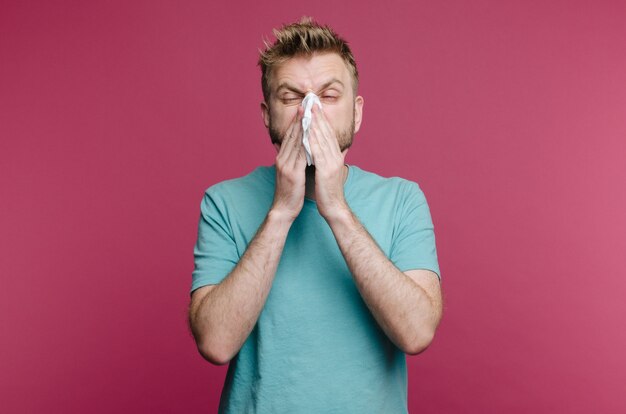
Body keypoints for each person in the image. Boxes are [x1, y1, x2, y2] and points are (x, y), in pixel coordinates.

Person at [188, 17, 443, 413]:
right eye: (291, 97)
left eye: (328, 95)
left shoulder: (403, 200)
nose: (311, 113)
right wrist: (281, 211)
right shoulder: (223, 202)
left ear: (356, 113)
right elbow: (216, 344)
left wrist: (336, 209)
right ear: (267, 115)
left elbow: (417, 332)